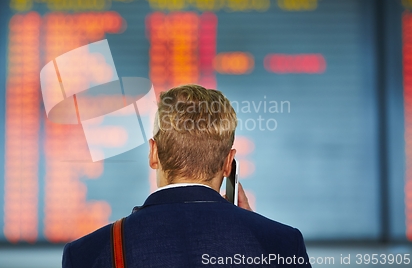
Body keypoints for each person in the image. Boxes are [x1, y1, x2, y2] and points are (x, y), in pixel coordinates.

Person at [62, 84, 311, 267]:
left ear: (154, 153)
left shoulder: (88, 254)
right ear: (228, 163)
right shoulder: (283, 245)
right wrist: (257, 237)